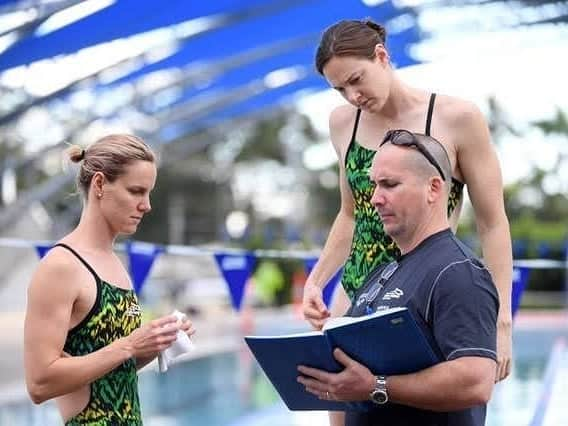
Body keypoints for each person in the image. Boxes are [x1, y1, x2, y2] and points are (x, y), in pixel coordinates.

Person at [302, 20, 512, 388]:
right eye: (339, 89)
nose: (352, 96)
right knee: (344, 408)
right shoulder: (343, 123)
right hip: (355, 290)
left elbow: (492, 223)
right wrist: (316, 282)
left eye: (356, 79)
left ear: (381, 56)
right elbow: (351, 214)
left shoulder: (455, 118)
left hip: (425, 296)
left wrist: (502, 322)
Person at [298, 130, 499, 426]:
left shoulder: (458, 273)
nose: (375, 199)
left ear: (433, 188)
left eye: (389, 184)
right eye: (374, 185)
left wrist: (376, 387)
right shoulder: (384, 272)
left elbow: (476, 380)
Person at [24, 134, 194, 425]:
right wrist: (129, 345)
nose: (147, 205)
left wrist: (155, 344)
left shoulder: (115, 264)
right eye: (136, 191)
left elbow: (111, 370)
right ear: (100, 185)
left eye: (148, 193)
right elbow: (39, 383)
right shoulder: (61, 266)